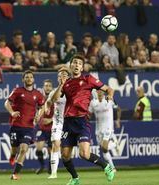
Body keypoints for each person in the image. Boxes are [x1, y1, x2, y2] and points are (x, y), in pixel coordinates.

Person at [56, 54, 115, 185]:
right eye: (74, 62)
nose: (76, 65)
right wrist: (61, 84)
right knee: (65, 155)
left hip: (82, 121)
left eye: (79, 63)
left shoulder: (88, 79)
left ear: (82, 67)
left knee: (84, 154)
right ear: (70, 66)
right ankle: (75, 178)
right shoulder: (66, 83)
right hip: (68, 123)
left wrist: (109, 96)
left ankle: (106, 166)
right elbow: (55, 99)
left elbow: (109, 89)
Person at [4, 70, 45, 180]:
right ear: (23, 79)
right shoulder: (17, 91)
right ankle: (12, 156)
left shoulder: (38, 94)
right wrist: (12, 112)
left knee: (23, 149)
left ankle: (15, 174)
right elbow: (6, 102)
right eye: (26, 77)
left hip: (28, 127)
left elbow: (42, 107)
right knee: (14, 149)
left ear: (34, 79)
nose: (29, 79)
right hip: (16, 125)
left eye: (31, 77)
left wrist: (38, 115)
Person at [45, 66, 70, 179]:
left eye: (64, 75)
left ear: (68, 77)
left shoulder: (73, 91)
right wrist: (61, 85)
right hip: (58, 123)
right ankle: (54, 173)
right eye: (60, 76)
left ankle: (73, 175)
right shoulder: (54, 91)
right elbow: (53, 100)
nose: (62, 77)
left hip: (70, 124)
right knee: (56, 144)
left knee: (66, 153)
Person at [89, 90, 121, 171]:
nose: (99, 92)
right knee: (104, 151)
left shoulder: (108, 100)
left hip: (108, 128)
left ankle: (115, 144)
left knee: (104, 146)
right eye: (98, 91)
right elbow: (88, 114)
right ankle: (113, 168)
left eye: (101, 91)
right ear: (96, 92)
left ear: (103, 92)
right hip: (98, 130)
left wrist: (117, 120)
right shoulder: (93, 103)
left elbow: (118, 109)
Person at [35, 79, 54, 175]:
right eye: (46, 86)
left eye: (49, 86)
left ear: (52, 88)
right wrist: (36, 117)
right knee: (38, 148)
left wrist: (51, 120)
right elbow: (37, 110)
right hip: (41, 128)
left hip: (52, 128)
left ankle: (50, 169)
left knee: (51, 150)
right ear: (43, 87)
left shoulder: (55, 98)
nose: (47, 87)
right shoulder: (40, 98)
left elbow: (61, 113)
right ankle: (42, 165)